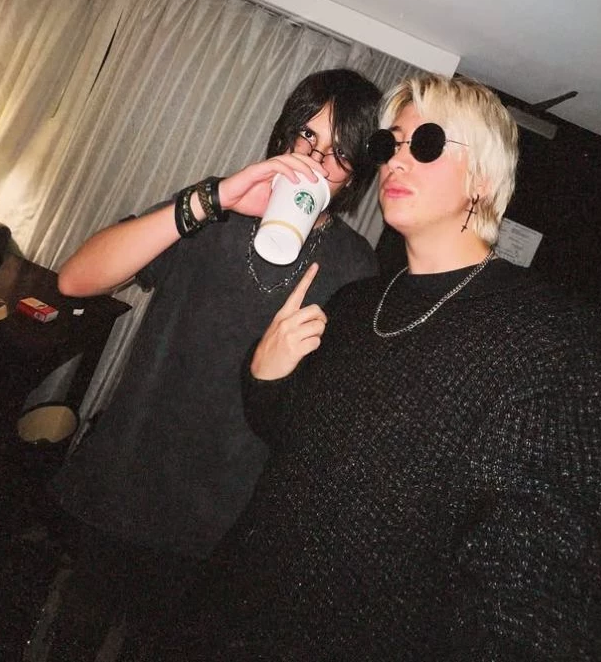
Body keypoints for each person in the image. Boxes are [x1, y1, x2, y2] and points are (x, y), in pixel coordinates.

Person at [164, 72, 601, 661]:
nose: (395, 160)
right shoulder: (356, 302)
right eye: (388, 145)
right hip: (226, 616)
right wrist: (265, 375)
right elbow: (292, 442)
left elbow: (556, 604)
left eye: (426, 143)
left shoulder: (556, 342)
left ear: (484, 178)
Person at [32, 68, 383, 659]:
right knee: (71, 637)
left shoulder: (355, 266)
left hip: (222, 520)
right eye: (308, 136)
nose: (317, 161)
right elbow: (76, 279)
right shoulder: (211, 210)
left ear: (356, 176)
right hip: (124, 480)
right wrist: (212, 200)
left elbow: (328, 416)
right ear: (284, 135)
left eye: (340, 153)